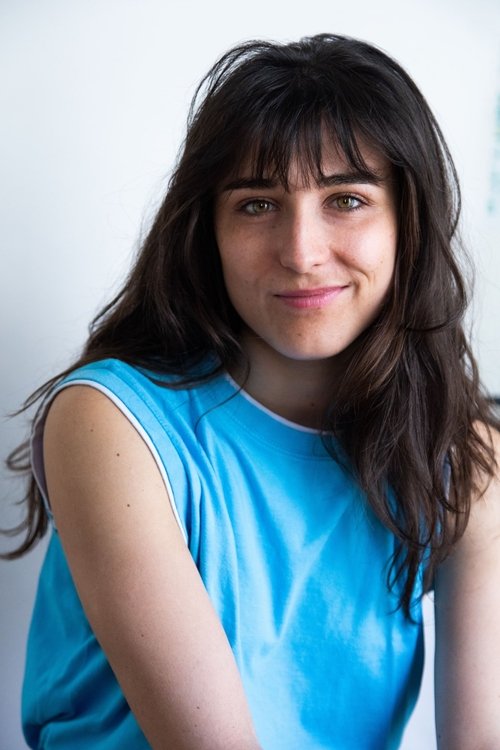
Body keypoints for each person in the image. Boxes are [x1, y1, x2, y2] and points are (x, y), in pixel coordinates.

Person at [4, 33, 500, 750]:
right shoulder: (111, 423)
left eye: (347, 199)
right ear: (207, 229)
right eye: (258, 205)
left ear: (409, 224)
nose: (301, 253)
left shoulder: (466, 457)